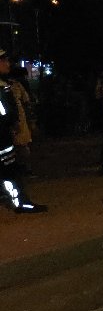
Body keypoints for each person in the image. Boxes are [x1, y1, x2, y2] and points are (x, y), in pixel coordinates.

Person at [0, 50, 46, 213]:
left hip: (5, 134)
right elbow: (5, 113)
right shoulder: (2, 87)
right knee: (9, 169)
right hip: (3, 136)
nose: (7, 64)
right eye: (3, 61)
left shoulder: (7, 84)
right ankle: (20, 202)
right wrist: (12, 125)